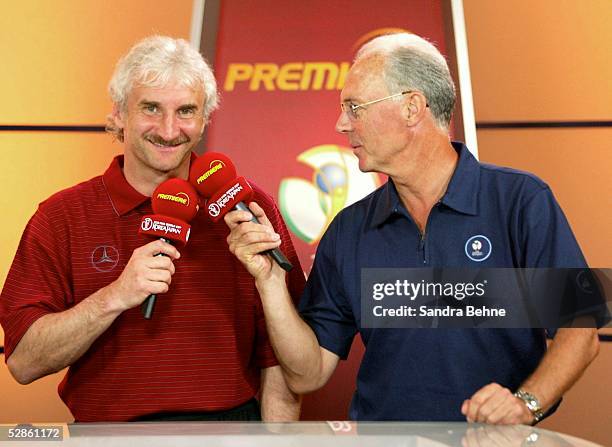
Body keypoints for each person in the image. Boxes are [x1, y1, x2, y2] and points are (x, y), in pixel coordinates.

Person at [224, 33, 600, 424]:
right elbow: (308, 373)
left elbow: (582, 330)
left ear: (412, 107)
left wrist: (524, 404)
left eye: (355, 107)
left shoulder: (521, 200)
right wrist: (269, 283)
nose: (340, 124)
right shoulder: (349, 229)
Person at [0, 36, 304, 422]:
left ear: (205, 118)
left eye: (186, 111)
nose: (168, 129)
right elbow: (24, 362)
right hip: (106, 435)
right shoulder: (61, 216)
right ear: (118, 115)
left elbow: (279, 361)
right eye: (151, 108)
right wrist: (114, 296)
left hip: (228, 430)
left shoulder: (246, 206)